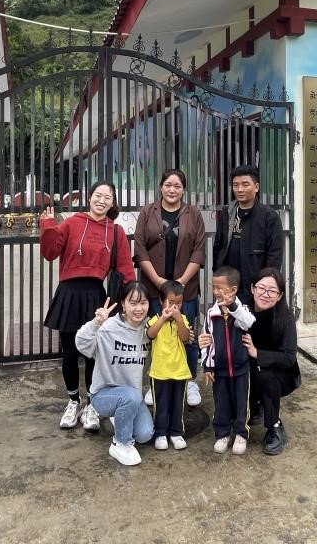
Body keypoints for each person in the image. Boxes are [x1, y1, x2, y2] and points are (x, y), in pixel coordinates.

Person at [40, 180, 135, 431]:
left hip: (96, 297)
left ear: (113, 203)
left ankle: (93, 404)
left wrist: (131, 301)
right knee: (70, 353)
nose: (101, 201)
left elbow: (125, 269)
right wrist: (47, 225)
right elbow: (50, 252)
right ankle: (73, 401)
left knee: (94, 355)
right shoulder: (72, 223)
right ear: (89, 197)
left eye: (107, 197)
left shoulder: (115, 231)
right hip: (69, 294)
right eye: (98, 195)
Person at [134, 168, 206, 406]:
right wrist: (159, 281)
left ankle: (190, 380)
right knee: (156, 332)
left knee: (188, 334)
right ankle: (155, 380)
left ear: (183, 189)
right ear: (161, 187)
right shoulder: (148, 212)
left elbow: (198, 251)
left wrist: (181, 283)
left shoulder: (193, 214)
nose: (172, 190)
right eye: (168, 185)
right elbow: (140, 249)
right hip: (154, 288)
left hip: (186, 290)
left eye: (177, 186)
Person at [75, 281, 153, 466]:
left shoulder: (149, 328)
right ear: (123, 304)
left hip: (132, 395)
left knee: (145, 435)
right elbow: (81, 343)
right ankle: (120, 443)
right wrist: (96, 323)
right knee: (130, 397)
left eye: (143, 303)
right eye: (133, 303)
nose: (139, 309)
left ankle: (120, 415)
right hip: (103, 394)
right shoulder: (109, 327)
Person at [242, 267, 301, 456]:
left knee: (264, 374)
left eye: (272, 291)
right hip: (250, 368)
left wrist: (257, 353)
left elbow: (289, 358)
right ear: (253, 288)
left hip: (281, 374)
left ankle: (274, 426)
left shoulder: (285, 318)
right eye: (261, 288)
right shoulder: (242, 311)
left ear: (280, 295)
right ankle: (253, 407)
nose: (265, 294)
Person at [198, 265, 255, 455]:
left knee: (241, 402)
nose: (216, 292)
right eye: (214, 287)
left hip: (241, 368)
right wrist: (208, 366)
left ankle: (240, 433)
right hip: (219, 369)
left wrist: (232, 307)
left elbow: (248, 322)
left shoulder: (241, 309)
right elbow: (207, 341)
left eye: (219, 288)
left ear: (233, 290)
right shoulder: (211, 313)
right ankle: (222, 433)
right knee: (221, 402)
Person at [212, 164, 284, 302]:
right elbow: (218, 246)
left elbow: (274, 255)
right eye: (236, 185)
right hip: (228, 285)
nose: (240, 189)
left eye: (245, 185)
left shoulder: (269, 216)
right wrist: (218, 273)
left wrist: (265, 286)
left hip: (254, 287)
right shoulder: (227, 213)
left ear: (256, 187)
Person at [144, 280, 191, 451]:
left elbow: (185, 337)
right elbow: (150, 334)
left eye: (179, 303)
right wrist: (163, 318)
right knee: (161, 404)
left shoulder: (183, 319)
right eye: (171, 302)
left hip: (180, 370)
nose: (175, 307)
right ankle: (161, 433)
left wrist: (179, 319)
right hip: (159, 371)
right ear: (161, 301)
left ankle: (176, 432)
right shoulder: (155, 319)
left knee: (178, 404)